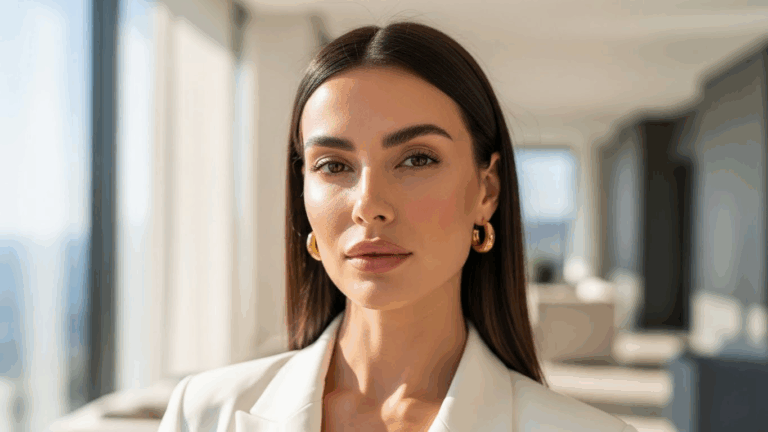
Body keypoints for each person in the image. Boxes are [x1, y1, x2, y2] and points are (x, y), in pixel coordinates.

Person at [158, 21, 638, 432]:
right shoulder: (204, 414)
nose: (368, 205)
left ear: (486, 191)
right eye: (333, 165)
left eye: (416, 159)